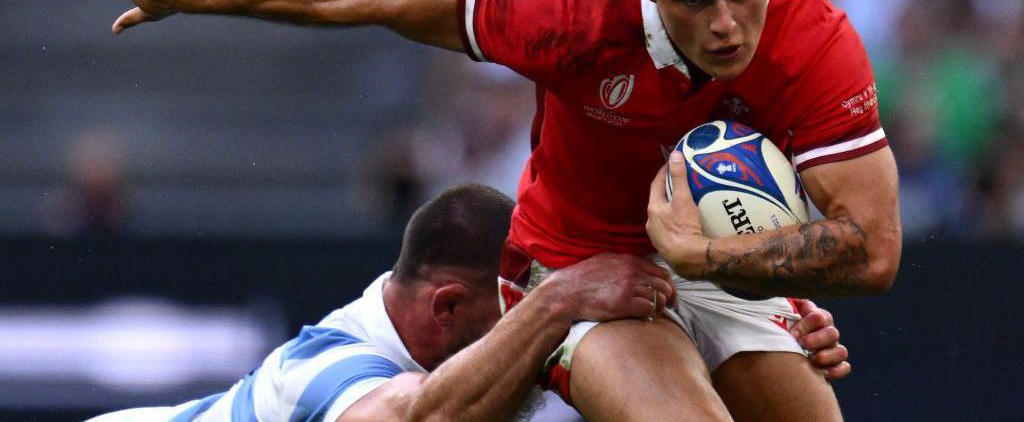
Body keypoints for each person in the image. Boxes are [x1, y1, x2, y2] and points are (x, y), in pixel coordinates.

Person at [84, 0, 891, 420]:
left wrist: (718, 265)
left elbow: (874, 251)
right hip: (569, 275)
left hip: (706, 268)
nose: (724, 25)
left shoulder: (811, 38)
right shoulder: (571, 10)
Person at [85, 184, 850, 422]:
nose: (556, 328)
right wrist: (551, 310)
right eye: (520, 306)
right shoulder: (325, 369)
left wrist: (774, 339)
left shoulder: (493, 350)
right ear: (449, 307)